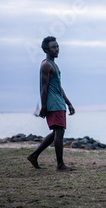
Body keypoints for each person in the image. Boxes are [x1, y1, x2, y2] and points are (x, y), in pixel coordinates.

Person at [27, 36, 76, 171]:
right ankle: (60, 165)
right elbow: (44, 87)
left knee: (57, 131)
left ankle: (34, 155)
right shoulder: (46, 65)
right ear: (46, 49)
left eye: (57, 46)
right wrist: (44, 106)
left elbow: (59, 87)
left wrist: (69, 103)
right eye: (54, 47)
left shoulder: (54, 65)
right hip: (52, 103)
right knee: (59, 132)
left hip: (59, 102)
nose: (57, 49)